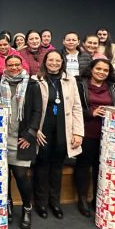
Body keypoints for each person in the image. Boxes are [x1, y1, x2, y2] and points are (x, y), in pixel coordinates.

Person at [32, 50, 84, 219]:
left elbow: (77, 107)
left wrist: (78, 132)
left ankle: (55, 202)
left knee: (57, 166)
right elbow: (30, 108)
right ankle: (41, 202)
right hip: (43, 129)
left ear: (62, 62)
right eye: (50, 60)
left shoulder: (70, 80)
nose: (54, 63)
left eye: (57, 60)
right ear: (45, 62)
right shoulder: (36, 80)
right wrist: (35, 129)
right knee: (42, 165)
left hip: (64, 128)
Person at [0, 55, 43, 229]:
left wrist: (30, 134)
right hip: (2, 137)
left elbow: (37, 111)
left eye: (17, 64)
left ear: (22, 65)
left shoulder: (32, 85)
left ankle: (26, 207)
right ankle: (7, 204)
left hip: (22, 138)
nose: (14, 67)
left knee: (20, 175)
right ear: (5, 66)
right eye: (10, 65)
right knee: (4, 175)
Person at [74, 58, 115, 217]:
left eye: (105, 70)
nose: (101, 72)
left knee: (101, 167)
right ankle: (82, 199)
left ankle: (97, 198)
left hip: (108, 134)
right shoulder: (80, 85)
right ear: (91, 69)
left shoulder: (113, 87)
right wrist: (90, 113)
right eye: (98, 69)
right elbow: (74, 107)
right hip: (86, 131)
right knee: (83, 165)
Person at [0, 33, 27, 99]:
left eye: (5, 44)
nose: (3, 47)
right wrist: (15, 70)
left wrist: (7, 70)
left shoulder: (15, 53)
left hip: (18, 83)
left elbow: (25, 67)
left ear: (9, 44)